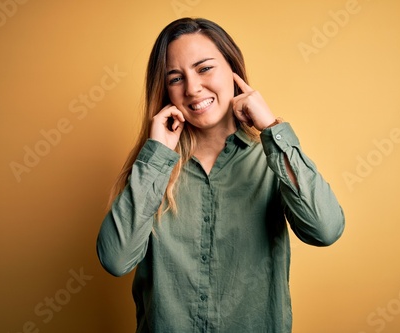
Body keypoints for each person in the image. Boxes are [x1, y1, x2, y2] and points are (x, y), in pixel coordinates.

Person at [97, 17, 345, 332]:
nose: (192, 88)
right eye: (176, 78)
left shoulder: (272, 159)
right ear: (166, 91)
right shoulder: (154, 168)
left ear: (233, 71)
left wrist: (271, 128)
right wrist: (157, 155)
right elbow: (116, 260)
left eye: (204, 68)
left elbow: (325, 230)